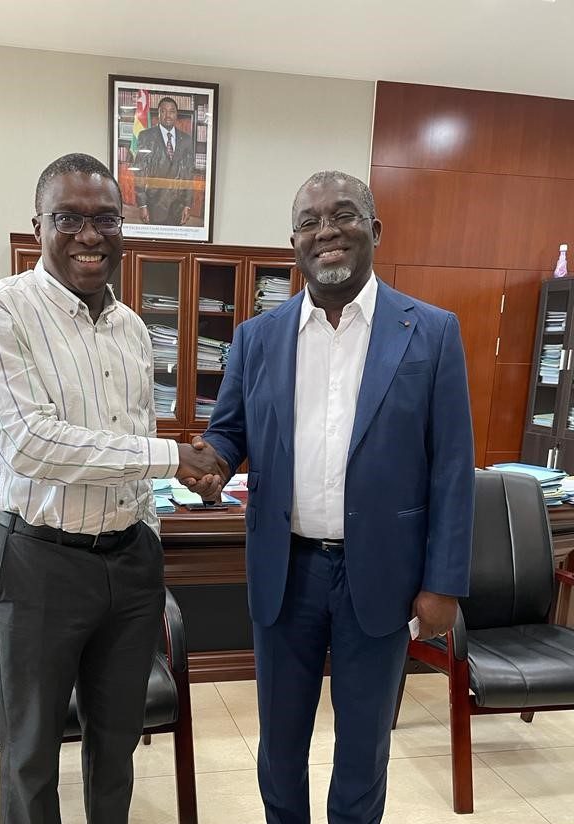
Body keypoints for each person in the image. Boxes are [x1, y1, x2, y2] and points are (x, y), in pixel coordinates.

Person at [186, 171, 474, 824]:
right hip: (285, 572)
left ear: (374, 229)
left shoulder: (430, 332)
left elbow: (453, 468)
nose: (328, 231)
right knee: (280, 748)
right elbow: (230, 431)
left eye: (343, 215)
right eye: (311, 222)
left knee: (363, 748)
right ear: (294, 244)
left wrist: (443, 583)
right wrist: (211, 462)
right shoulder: (258, 338)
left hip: (384, 577)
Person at [0, 152, 223, 824]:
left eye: (105, 218)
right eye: (68, 218)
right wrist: (173, 458)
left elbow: (129, 441)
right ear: (38, 224)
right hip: (39, 560)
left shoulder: (133, 329)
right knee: (31, 749)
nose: (89, 235)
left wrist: (152, 535)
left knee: (117, 741)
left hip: (130, 561)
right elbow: (31, 445)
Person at [133, 96, 195, 226]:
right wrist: (142, 204)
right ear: (158, 114)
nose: (168, 115)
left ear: (176, 115)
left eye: (172, 111)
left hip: (178, 205)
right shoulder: (146, 136)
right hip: (153, 204)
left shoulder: (187, 140)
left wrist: (188, 205)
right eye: (164, 111)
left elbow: (189, 174)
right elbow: (139, 173)